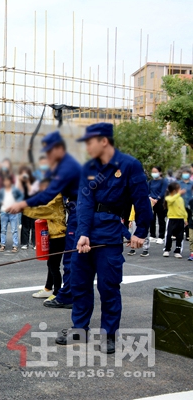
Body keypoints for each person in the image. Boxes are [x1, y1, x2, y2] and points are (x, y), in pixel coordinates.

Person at [55, 122, 152, 354]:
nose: (87, 148)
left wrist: (141, 232)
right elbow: (85, 203)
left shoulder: (129, 165)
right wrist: (82, 235)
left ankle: (108, 334)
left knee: (108, 287)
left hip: (110, 233)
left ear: (104, 141)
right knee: (79, 283)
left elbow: (141, 200)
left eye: (90, 142)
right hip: (85, 233)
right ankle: (80, 328)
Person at [7, 131, 82, 309]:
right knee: (63, 262)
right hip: (76, 213)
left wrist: (22, 205)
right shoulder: (65, 166)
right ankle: (61, 292)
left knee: (69, 261)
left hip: (73, 219)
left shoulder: (66, 167)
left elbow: (48, 198)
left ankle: (65, 294)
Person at [23, 178, 65, 299]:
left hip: (59, 236)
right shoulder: (54, 197)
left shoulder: (56, 200)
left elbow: (42, 210)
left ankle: (57, 292)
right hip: (54, 234)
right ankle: (48, 288)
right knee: (51, 263)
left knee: (53, 264)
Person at [0, 176, 23, 252]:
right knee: (3, 230)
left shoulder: (15, 189)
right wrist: (1, 201)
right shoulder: (2, 190)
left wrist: (16, 202)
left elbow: (21, 196)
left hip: (13, 213)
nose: (6, 183)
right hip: (3, 212)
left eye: (7, 181)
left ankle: (15, 245)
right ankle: (2, 245)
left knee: (14, 230)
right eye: (5, 181)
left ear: (10, 182)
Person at [16, 166, 39, 250]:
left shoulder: (35, 181)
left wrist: (28, 182)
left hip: (34, 206)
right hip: (25, 206)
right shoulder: (22, 182)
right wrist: (20, 180)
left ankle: (35, 243)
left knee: (34, 225)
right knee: (25, 226)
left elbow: (31, 191)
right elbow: (19, 191)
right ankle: (24, 243)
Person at [163, 182, 187, 258]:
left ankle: (178, 250)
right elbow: (171, 200)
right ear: (174, 190)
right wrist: (178, 194)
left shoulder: (180, 198)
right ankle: (167, 249)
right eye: (178, 189)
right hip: (172, 219)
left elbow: (183, 209)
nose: (180, 190)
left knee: (180, 236)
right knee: (169, 235)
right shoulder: (168, 197)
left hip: (180, 219)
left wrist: (185, 218)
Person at [148, 166, 168, 244]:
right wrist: (151, 198)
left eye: (155, 172)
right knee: (152, 219)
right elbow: (147, 191)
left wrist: (157, 199)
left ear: (160, 172)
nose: (154, 173)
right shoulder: (150, 182)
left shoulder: (163, 181)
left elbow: (163, 192)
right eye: (153, 172)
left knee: (161, 219)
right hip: (151, 201)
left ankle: (161, 236)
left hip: (160, 202)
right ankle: (152, 235)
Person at [178, 168, 193, 240]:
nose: (185, 175)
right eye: (184, 173)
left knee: (189, 219)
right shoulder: (179, 183)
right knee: (180, 220)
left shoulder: (192, 183)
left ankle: (188, 235)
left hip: (189, 204)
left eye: (186, 173)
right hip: (180, 204)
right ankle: (178, 234)